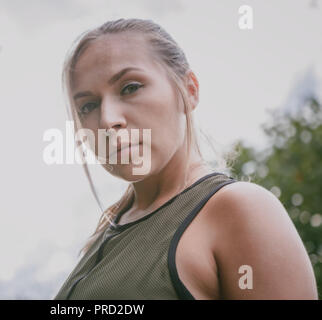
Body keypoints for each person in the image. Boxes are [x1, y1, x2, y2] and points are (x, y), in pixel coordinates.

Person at [54, 18, 318, 300]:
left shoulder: (239, 209)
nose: (108, 120)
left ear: (189, 89)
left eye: (130, 87)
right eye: (88, 106)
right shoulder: (103, 235)